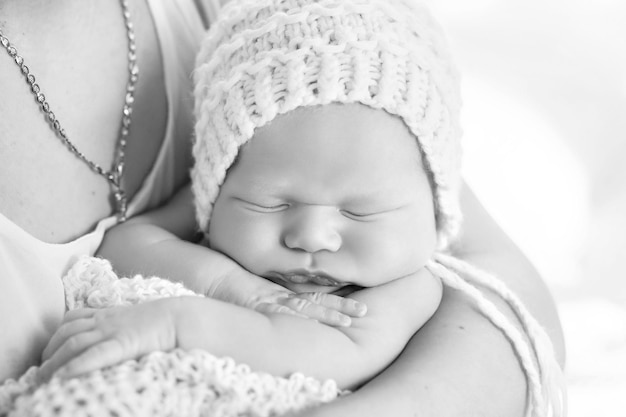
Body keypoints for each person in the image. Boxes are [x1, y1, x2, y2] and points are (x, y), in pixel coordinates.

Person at [0, 0, 565, 415]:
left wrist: (178, 321)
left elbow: (321, 350)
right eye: (272, 201)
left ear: (437, 215)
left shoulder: (408, 287)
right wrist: (238, 289)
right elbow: (126, 245)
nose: (312, 234)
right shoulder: (224, 187)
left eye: (361, 213)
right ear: (214, 190)